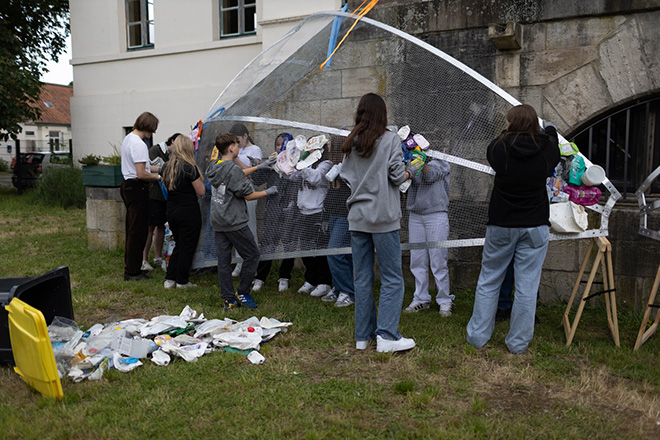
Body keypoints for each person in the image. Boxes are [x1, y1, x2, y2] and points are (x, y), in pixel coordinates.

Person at [466, 104, 559, 354]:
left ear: (511, 123)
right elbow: (553, 140)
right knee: (527, 286)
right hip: (535, 224)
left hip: (502, 224)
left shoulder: (499, 147)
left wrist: (509, 131)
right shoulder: (547, 148)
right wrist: (546, 129)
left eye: (507, 122)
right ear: (534, 125)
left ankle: (477, 336)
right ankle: (518, 343)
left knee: (489, 280)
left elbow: (495, 143)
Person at [340, 93, 423, 353]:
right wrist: (414, 168)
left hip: (357, 217)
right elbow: (398, 177)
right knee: (392, 278)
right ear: (382, 114)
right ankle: (387, 335)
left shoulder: (351, 142)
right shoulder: (389, 140)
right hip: (384, 218)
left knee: (362, 278)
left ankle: (362, 337)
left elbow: (344, 175)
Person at [206, 133, 277, 311]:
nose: (239, 148)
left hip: (219, 221)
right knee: (252, 255)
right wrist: (268, 192)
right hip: (234, 222)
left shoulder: (215, 166)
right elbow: (248, 194)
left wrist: (258, 167)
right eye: (237, 146)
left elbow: (234, 175)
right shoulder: (232, 169)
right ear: (231, 148)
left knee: (223, 262)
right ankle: (243, 292)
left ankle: (228, 300)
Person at [404, 157, 454, 316]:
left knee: (438, 259)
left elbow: (430, 175)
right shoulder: (409, 159)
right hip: (416, 214)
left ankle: (445, 300)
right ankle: (421, 298)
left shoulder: (442, 161)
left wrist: (420, 162)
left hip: (436, 214)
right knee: (417, 259)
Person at [120, 111, 162, 281]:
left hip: (128, 186)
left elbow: (143, 167)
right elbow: (141, 174)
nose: (152, 133)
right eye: (152, 129)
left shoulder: (129, 138)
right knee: (138, 232)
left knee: (132, 229)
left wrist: (162, 168)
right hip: (137, 188)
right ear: (147, 127)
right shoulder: (140, 144)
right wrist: (159, 177)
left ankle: (133, 267)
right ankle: (132, 272)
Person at [252, 133, 296, 292]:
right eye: (277, 144)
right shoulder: (272, 163)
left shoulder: (296, 164)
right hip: (272, 209)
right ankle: (260, 277)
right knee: (267, 244)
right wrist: (260, 166)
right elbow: (257, 181)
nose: (280, 147)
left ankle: (284, 277)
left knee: (288, 243)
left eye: (283, 144)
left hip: (289, 209)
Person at [291, 137, 333, 298]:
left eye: (312, 148)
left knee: (319, 249)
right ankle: (311, 279)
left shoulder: (325, 164)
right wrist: (293, 162)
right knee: (306, 248)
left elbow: (316, 178)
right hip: (303, 211)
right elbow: (292, 177)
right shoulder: (306, 164)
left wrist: (303, 166)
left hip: (317, 211)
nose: (309, 151)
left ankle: (324, 282)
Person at [161, 136, 205, 288]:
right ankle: (182, 281)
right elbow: (201, 191)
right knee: (187, 246)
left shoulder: (166, 167)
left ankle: (170, 278)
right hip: (188, 211)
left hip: (172, 210)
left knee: (179, 244)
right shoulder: (189, 168)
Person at [322, 136, 355, 307]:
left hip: (345, 214)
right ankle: (339, 289)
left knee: (334, 252)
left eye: (331, 144)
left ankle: (348, 291)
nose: (328, 146)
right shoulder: (332, 163)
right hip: (333, 213)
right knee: (343, 254)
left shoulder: (350, 163)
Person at [142, 133, 181, 272]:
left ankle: (157, 257)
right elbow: (146, 168)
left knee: (162, 227)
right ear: (172, 141)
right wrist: (164, 171)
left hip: (167, 196)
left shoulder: (176, 156)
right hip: (154, 195)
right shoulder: (155, 150)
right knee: (150, 227)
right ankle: (144, 259)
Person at [228, 123, 263, 277]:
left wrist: (235, 159)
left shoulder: (254, 150)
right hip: (233, 190)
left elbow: (251, 174)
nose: (236, 144)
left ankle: (252, 264)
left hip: (247, 189)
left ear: (245, 136)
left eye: (238, 140)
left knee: (249, 227)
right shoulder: (235, 149)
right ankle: (238, 264)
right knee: (236, 227)